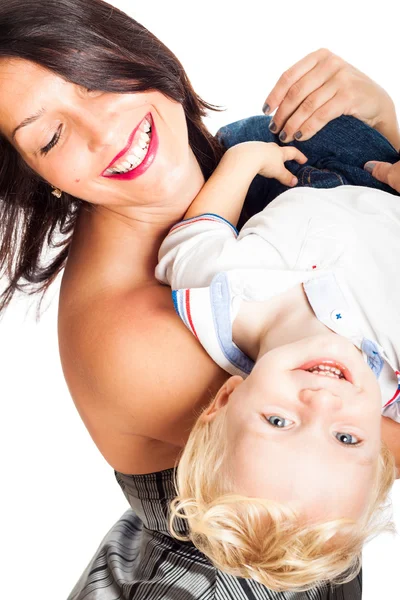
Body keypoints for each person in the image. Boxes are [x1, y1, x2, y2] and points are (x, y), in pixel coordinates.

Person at [0, 0, 398, 598]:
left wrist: (380, 132)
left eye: (96, 79)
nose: (105, 131)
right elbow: (361, 432)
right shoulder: (131, 339)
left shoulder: (227, 172)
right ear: (34, 174)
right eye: (52, 136)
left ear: (133, 50)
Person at [156, 129, 400, 591]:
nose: (322, 403)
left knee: (242, 135)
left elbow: (193, 237)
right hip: (376, 178)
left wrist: (242, 162)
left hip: (284, 173)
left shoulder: (215, 299)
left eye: (279, 422)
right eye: (346, 438)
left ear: (226, 397)